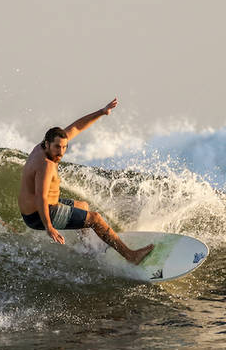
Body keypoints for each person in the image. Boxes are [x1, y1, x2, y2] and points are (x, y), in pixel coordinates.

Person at [18, 98, 154, 265]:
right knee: (95, 219)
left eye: (64, 147)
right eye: (57, 147)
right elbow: (41, 197)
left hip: (41, 208)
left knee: (83, 206)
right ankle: (131, 256)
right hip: (38, 215)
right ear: (47, 144)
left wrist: (102, 112)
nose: (61, 152)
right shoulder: (45, 165)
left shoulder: (45, 146)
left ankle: (88, 249)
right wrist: (49, 227)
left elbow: (76, 126)